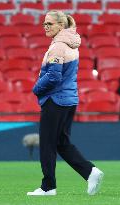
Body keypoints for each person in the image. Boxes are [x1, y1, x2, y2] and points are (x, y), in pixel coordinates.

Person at [27, 10, 104, 196]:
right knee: (61, 142)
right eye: (44, 23)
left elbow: (53, 76)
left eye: (50, 24)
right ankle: (90, 172)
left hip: (56, 100)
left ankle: (48, 187)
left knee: (47, 144)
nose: (45, 26)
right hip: (69, 99)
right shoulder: (72, 43)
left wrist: (36, 89)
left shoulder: (58, 46)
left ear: (61, 26)